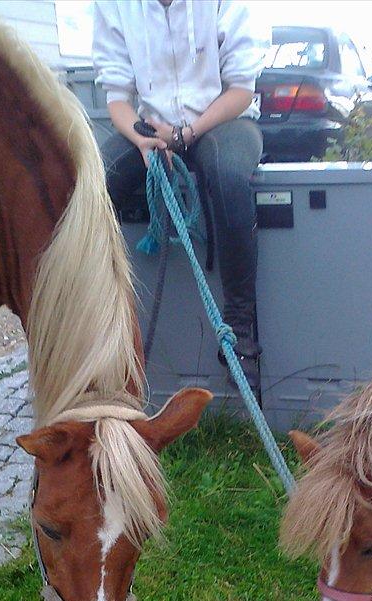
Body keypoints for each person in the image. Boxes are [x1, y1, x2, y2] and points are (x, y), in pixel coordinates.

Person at [92, 0, 268, 383]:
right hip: (151, 127)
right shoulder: (115, 6)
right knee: (94, 187)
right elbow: (117, 97)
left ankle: (239, 329)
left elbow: (241, 89)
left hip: (224, 120)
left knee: (229, 176)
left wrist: (186, 134)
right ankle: (98, 326)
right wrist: (141, 137)